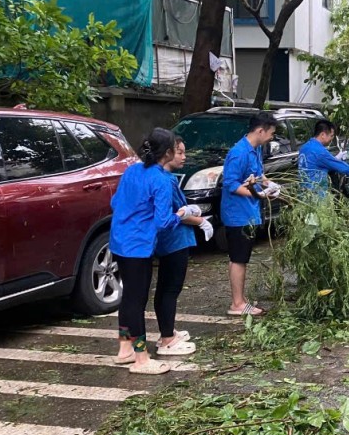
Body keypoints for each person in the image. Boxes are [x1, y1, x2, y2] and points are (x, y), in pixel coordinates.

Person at [110, 128, 210, 374]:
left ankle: (125, 348)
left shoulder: (132, 170)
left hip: (119, 240)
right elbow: (163, 221)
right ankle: (141, 357)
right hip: (139, 245)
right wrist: (183, 213)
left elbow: (115, 202)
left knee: (129, 297)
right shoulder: (162, 180)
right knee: (137, 300)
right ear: (167, 152)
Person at [154, 135, 211, 357]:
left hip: (167, 240)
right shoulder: (166, 181)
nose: (184, 157)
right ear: (168, 153)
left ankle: (167, 331)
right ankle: (167, 337)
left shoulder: (163, 177)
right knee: (170, 288)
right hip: (175, 241)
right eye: (180, 152)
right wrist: (200, 220)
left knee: (165, 288)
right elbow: (177, 213)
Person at [221, 111, 281, 317]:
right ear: (260, 130)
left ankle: (241, 299)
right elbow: (230, 184)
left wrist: (269, 184)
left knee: (242, 257)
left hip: (249, 212)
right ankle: (237, 303)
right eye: (271, 133)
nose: (272, 137)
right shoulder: (238, 153)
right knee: (238, 258)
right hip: (238, 214)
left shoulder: (254, 150)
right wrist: (259, 195)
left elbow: (257, 175)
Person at [298, 119, 349, 196]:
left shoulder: (304, 147)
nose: (332, 139)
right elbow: (340, 167)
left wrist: (335, 158)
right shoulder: (320, 151)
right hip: (316, 195)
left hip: (304, 193)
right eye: (331, 136)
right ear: (323, 135)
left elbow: (316, 164)